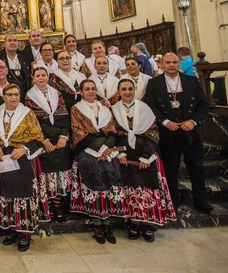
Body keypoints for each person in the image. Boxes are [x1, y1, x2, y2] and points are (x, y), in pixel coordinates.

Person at [143, 52, 212, 214]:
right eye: (168, 62)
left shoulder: (192, 81)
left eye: (174, 62)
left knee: (196, 167)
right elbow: (150, 106)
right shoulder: (154, 83)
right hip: (168, 132)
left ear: (179, 64)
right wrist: (166, 122)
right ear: (161, 65)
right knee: (170, 168)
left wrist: (192, 121)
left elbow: (203, 106)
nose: (171, 65)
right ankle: (172, 199)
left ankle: (200, 199)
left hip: (191, 131)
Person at [112, 79, 177, 242]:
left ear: (135, 90)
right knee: (131, 191)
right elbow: (113, 135)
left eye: (130, 89)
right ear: (118, 91)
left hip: (145, 154)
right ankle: (133, 223)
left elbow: (153, 133)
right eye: (123, 89)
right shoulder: (113, 110)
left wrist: (146, 155)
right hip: (125, 156)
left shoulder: (144, 108)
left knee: (148, 191)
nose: (127, 92)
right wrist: (121, 154)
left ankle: (148, 224)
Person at [70, 80, 127, 244]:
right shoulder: (76, 109)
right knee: (92, 171)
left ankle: (107, 223)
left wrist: (106, 148)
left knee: (110, 171)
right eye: (87, 89)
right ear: (81, 91)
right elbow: (78, 131)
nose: (90, 92)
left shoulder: (104, 108)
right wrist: (98, 148)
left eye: (93, 89)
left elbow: (112, 129)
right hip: (87, 148)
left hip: (106, 149)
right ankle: (96, 223)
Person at [0, 83, 45, 251]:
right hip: (3, 160)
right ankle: (13, 230)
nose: (14, 97)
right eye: (10, 94)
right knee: (7, 196)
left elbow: (39, 138)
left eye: (16, 94)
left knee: (22, 197)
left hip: (22, 160)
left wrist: (24, 149)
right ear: (3, 97)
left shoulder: (27, 114)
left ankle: (25, 233)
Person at [26, 67, 72, 222]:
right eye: (37, 75)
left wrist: (64, 136)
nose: (41, 78)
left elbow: (65, 115)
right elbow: (31, 123)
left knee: (60, 174)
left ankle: (58, 206)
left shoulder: (56, 93)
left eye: (43, 75)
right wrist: (44, 140)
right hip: (42, 141)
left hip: (60, 139)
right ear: (33, 78)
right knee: (47, 176)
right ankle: (48, 206)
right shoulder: (29, 97)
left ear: (48, 77)